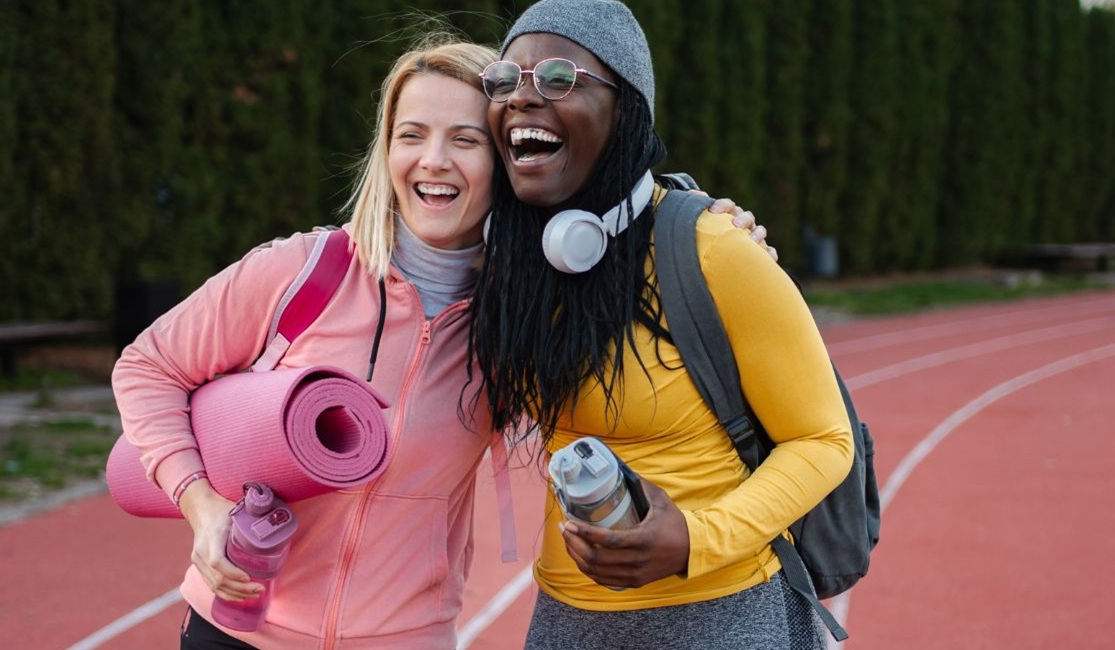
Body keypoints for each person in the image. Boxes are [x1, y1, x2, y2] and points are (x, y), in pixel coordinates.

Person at [111, 34, 767, 650]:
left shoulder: (521, 315)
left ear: (503, 160)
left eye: (465, 140)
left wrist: (707, 229)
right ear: (387, 151)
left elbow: (638, 275)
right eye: (411, 135)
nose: (433, 160)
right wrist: (201, 507)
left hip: (407, 634)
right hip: (241, 630)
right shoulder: (302, 271)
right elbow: (147, 366)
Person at [465, 1, 854, 648]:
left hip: (721, 612)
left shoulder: (714, 251)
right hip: (566, 618)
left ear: (626, 111)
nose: (522, 97)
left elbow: (823, 440)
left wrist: (697, 539)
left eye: (558, 78)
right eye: (505, 80)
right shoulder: (516, 261)